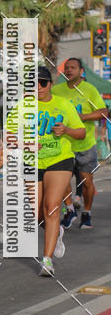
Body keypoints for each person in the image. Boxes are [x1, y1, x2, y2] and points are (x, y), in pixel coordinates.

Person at [9, 66, 85, 278]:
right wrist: (26, 143)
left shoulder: (63, 104)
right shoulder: (22, 106)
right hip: (32, 162)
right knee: (38, 214)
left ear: (50, 84)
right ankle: (58, 231)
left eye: (43, 83)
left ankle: (47, 261)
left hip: (60, 160)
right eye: (33, 84)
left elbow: (80, 132)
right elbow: (9, 136)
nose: (38, 87)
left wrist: (66, 130)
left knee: (51, 207)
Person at [53, 58, 107, 230]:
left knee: (87, 182)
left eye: (73, 68)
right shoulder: (56, 90)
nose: (69, 71)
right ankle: (69, 210)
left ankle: (87, 212)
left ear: (81, 71)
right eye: (67, 68)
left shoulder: (89, 90)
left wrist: (83, 117)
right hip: (62, 144)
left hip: (84, 143)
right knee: (61, 181)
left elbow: (104, 112)